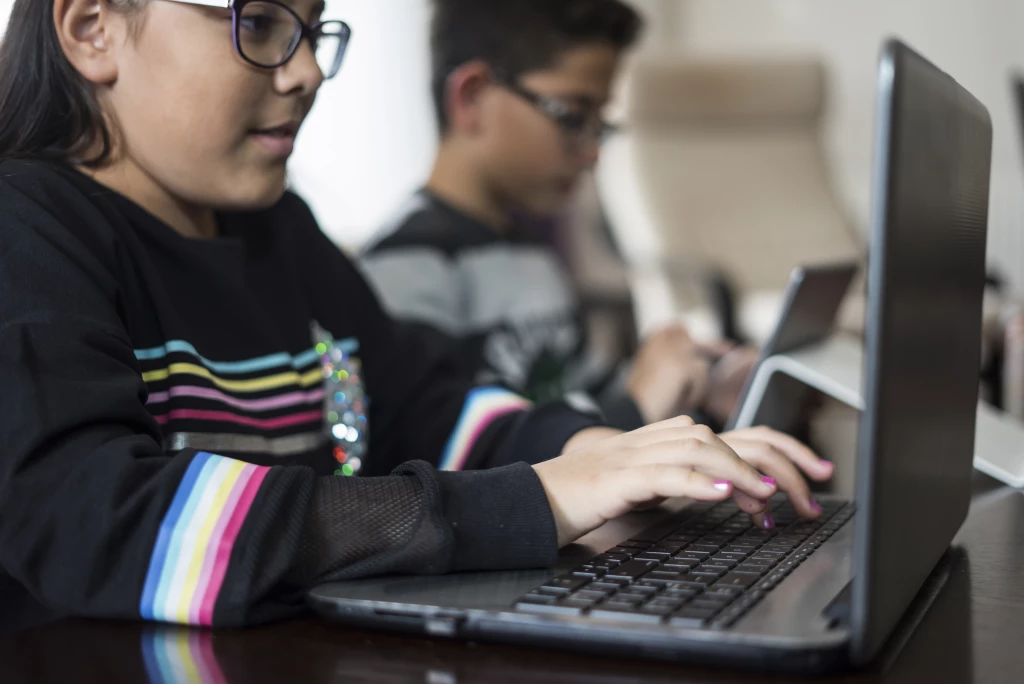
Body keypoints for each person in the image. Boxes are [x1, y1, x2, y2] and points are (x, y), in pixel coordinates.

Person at [0, 0, 831, 631]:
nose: (306, 72)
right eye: (258, 21)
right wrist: (533, 501)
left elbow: (420, 407)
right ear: (91, 28)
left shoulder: (279, 233)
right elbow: (93, 521)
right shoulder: (27, 231)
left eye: (314, 27)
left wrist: (604, 453)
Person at [360, 0, 756, 433]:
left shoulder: (530, 255)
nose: (592, 153)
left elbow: (578, 396)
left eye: (600, 124)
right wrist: (636, 405)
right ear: (472, 97)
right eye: (572, 116)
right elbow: (441, 461)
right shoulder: (406, 265)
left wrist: (697, 393)